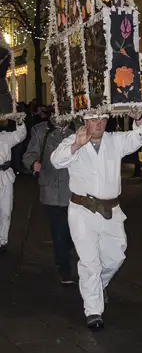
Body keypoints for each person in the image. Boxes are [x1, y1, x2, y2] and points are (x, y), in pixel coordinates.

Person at [51, 111, 142, 330]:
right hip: (82, 212)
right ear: (85, 120)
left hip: (111, 211)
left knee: (116, 256)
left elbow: (140, 136)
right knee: (90, 262)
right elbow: (56, 161)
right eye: (94, 119)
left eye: (103, 119)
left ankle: (98, 285)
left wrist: (139, 118)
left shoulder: (115, 141)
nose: (99, 123)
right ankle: (93, 311)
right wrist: (76, 145)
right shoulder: (73, 140)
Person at [23, 117, 75, 284]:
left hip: (74, 189)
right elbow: (29, 154)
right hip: (52, 191)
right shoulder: (41, 131)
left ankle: (64, 251)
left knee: (72, 233)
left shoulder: (78, 128)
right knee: (59, 232)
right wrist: (33, 163)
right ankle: (63, 267)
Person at [0, 117, 27, 253]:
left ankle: (3, 240)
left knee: (6, 211)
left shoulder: (5, 137)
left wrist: (20, 122)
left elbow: (20, 135)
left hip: (5, 177)